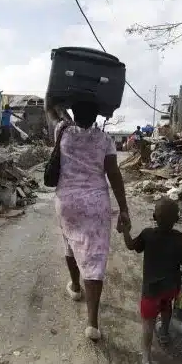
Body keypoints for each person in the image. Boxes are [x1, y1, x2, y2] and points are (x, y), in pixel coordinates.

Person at [47, 100, 131, 341]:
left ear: (74, 112)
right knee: (94, 258)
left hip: (67, 202)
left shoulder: (62, 132)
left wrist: (57, 92)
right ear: (97, 115)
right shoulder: (105, 140)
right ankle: (92, 324)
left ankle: (75, 287)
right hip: (95, 204)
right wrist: (123, 208)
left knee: (70, 243)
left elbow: (49, 106)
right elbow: (114, 174)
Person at [122, 198, 182, 364]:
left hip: (150, 292)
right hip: (170, 290)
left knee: (147, 324)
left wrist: (126, 231)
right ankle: (165, 332)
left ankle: (146, 363)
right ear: (176, 219)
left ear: (154, 217)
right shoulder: (180, 238)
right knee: (166, 307)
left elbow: (130, 246)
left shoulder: (147, 235)